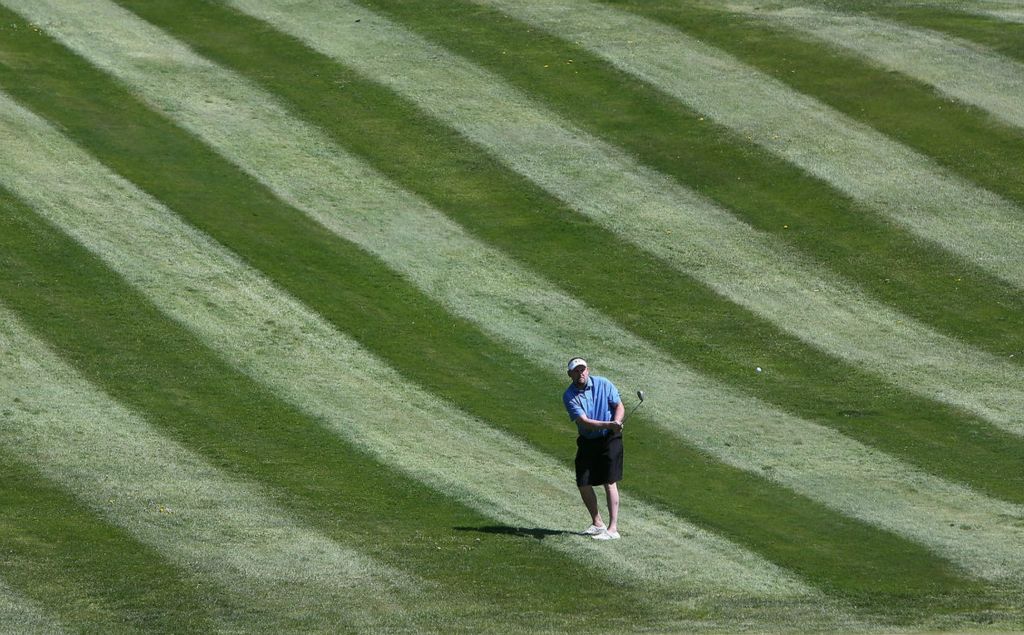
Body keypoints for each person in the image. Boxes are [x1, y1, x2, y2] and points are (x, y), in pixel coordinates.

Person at [562, 357, 625, 540]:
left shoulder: (603, 383)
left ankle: (613, 529)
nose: (580, 373)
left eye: (582, 370)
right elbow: (584, 422)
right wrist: (610, 424)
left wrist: (617, 421)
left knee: (609, 480)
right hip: (589, 439)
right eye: (576, 371)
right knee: (583, 482)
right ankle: (598, 523)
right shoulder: (569, 395)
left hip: (609, 438)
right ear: (570, 374)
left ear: (587, 370)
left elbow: (618, 405)